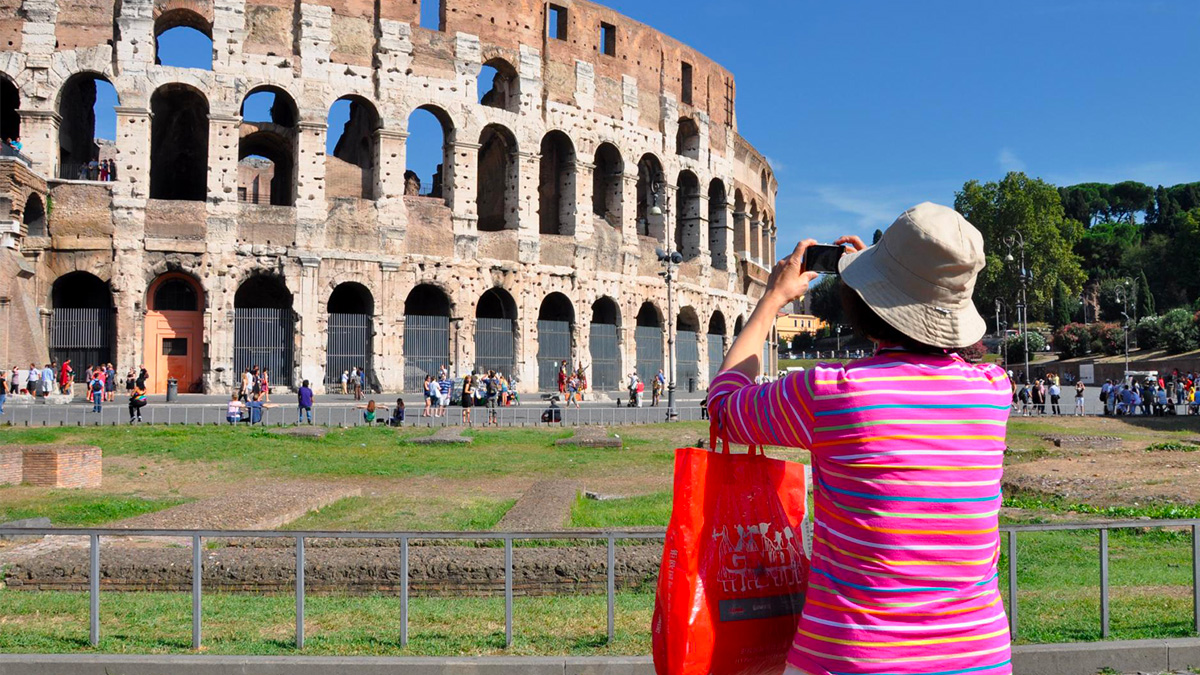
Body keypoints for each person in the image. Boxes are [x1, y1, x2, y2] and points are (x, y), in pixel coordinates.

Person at [706, 204, 1012, 675]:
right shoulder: (994, 391)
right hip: (978, 658)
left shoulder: (832, 393)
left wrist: (772, 300)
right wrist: (892, 285)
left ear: (869, 299)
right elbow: (913, 364)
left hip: (853, 658)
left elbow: (724, 406)